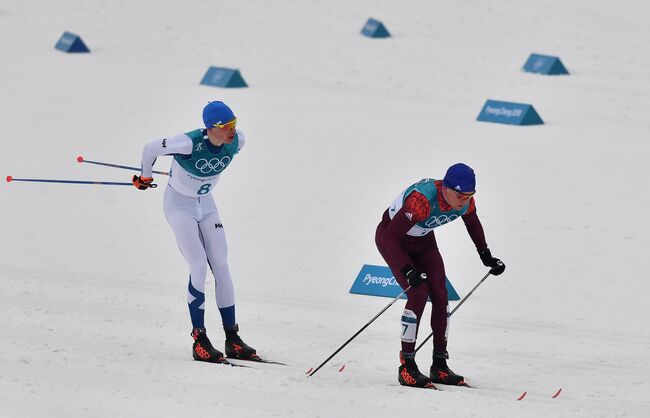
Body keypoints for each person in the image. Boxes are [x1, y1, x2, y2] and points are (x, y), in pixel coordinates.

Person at [132, 101, 259, 364]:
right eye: (227, 126)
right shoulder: (188, 143)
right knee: (199, 266)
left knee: (222, 266)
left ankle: (232, 338)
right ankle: (199, 340)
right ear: (212, 128)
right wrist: (144, 176)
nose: (233, 131)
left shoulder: (239, 140)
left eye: (234, 123)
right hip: (179, 207)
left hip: (207, 206)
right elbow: (150, 148)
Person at [375, 163, 505, 388]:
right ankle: (407, 366)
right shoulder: (421, 201)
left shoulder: (464, 201)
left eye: (470, 196)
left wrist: (486, 255)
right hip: (394, 241)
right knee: (418, 294)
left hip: (423, 241)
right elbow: (389, 238)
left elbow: (472, 223)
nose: (465, 201)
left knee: (440, 296)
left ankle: (439, 365)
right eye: (461, 195)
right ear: (446, 188)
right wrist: (407, 269)